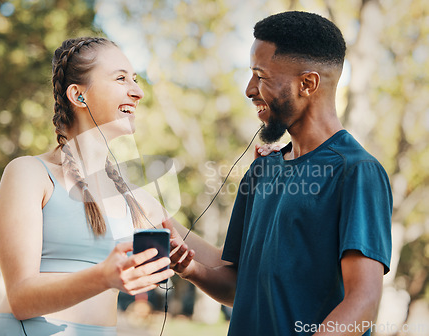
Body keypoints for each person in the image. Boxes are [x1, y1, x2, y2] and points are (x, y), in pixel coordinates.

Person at [166, 11, 392, 336]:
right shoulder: (263, 168)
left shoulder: (357, 172)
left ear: (307, 84)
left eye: (261, 75)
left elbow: (363, 304)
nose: (248, 89)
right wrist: (190, 267)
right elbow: (238, 286)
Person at [0, 37, 181, 336]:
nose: (138, 91)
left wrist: (270, 166)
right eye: (120, 78)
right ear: (78, 95)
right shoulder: (29, 173)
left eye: (136, 79)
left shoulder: (139, 201)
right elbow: (21, 298)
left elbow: (224, 270)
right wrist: (103, 277)